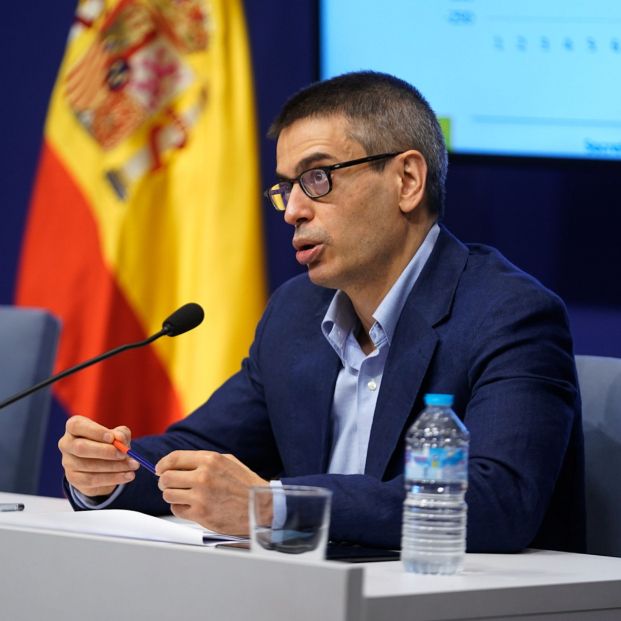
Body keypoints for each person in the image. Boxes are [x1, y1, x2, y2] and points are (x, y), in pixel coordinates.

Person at [58, 71, 585, 552]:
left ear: (407, 181)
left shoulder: (509, 315)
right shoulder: (296, 313)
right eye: (285, 187)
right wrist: (108, 471)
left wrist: (274, 505)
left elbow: (497, 501)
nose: (293, 210)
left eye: (318, 178)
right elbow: (199, 451)